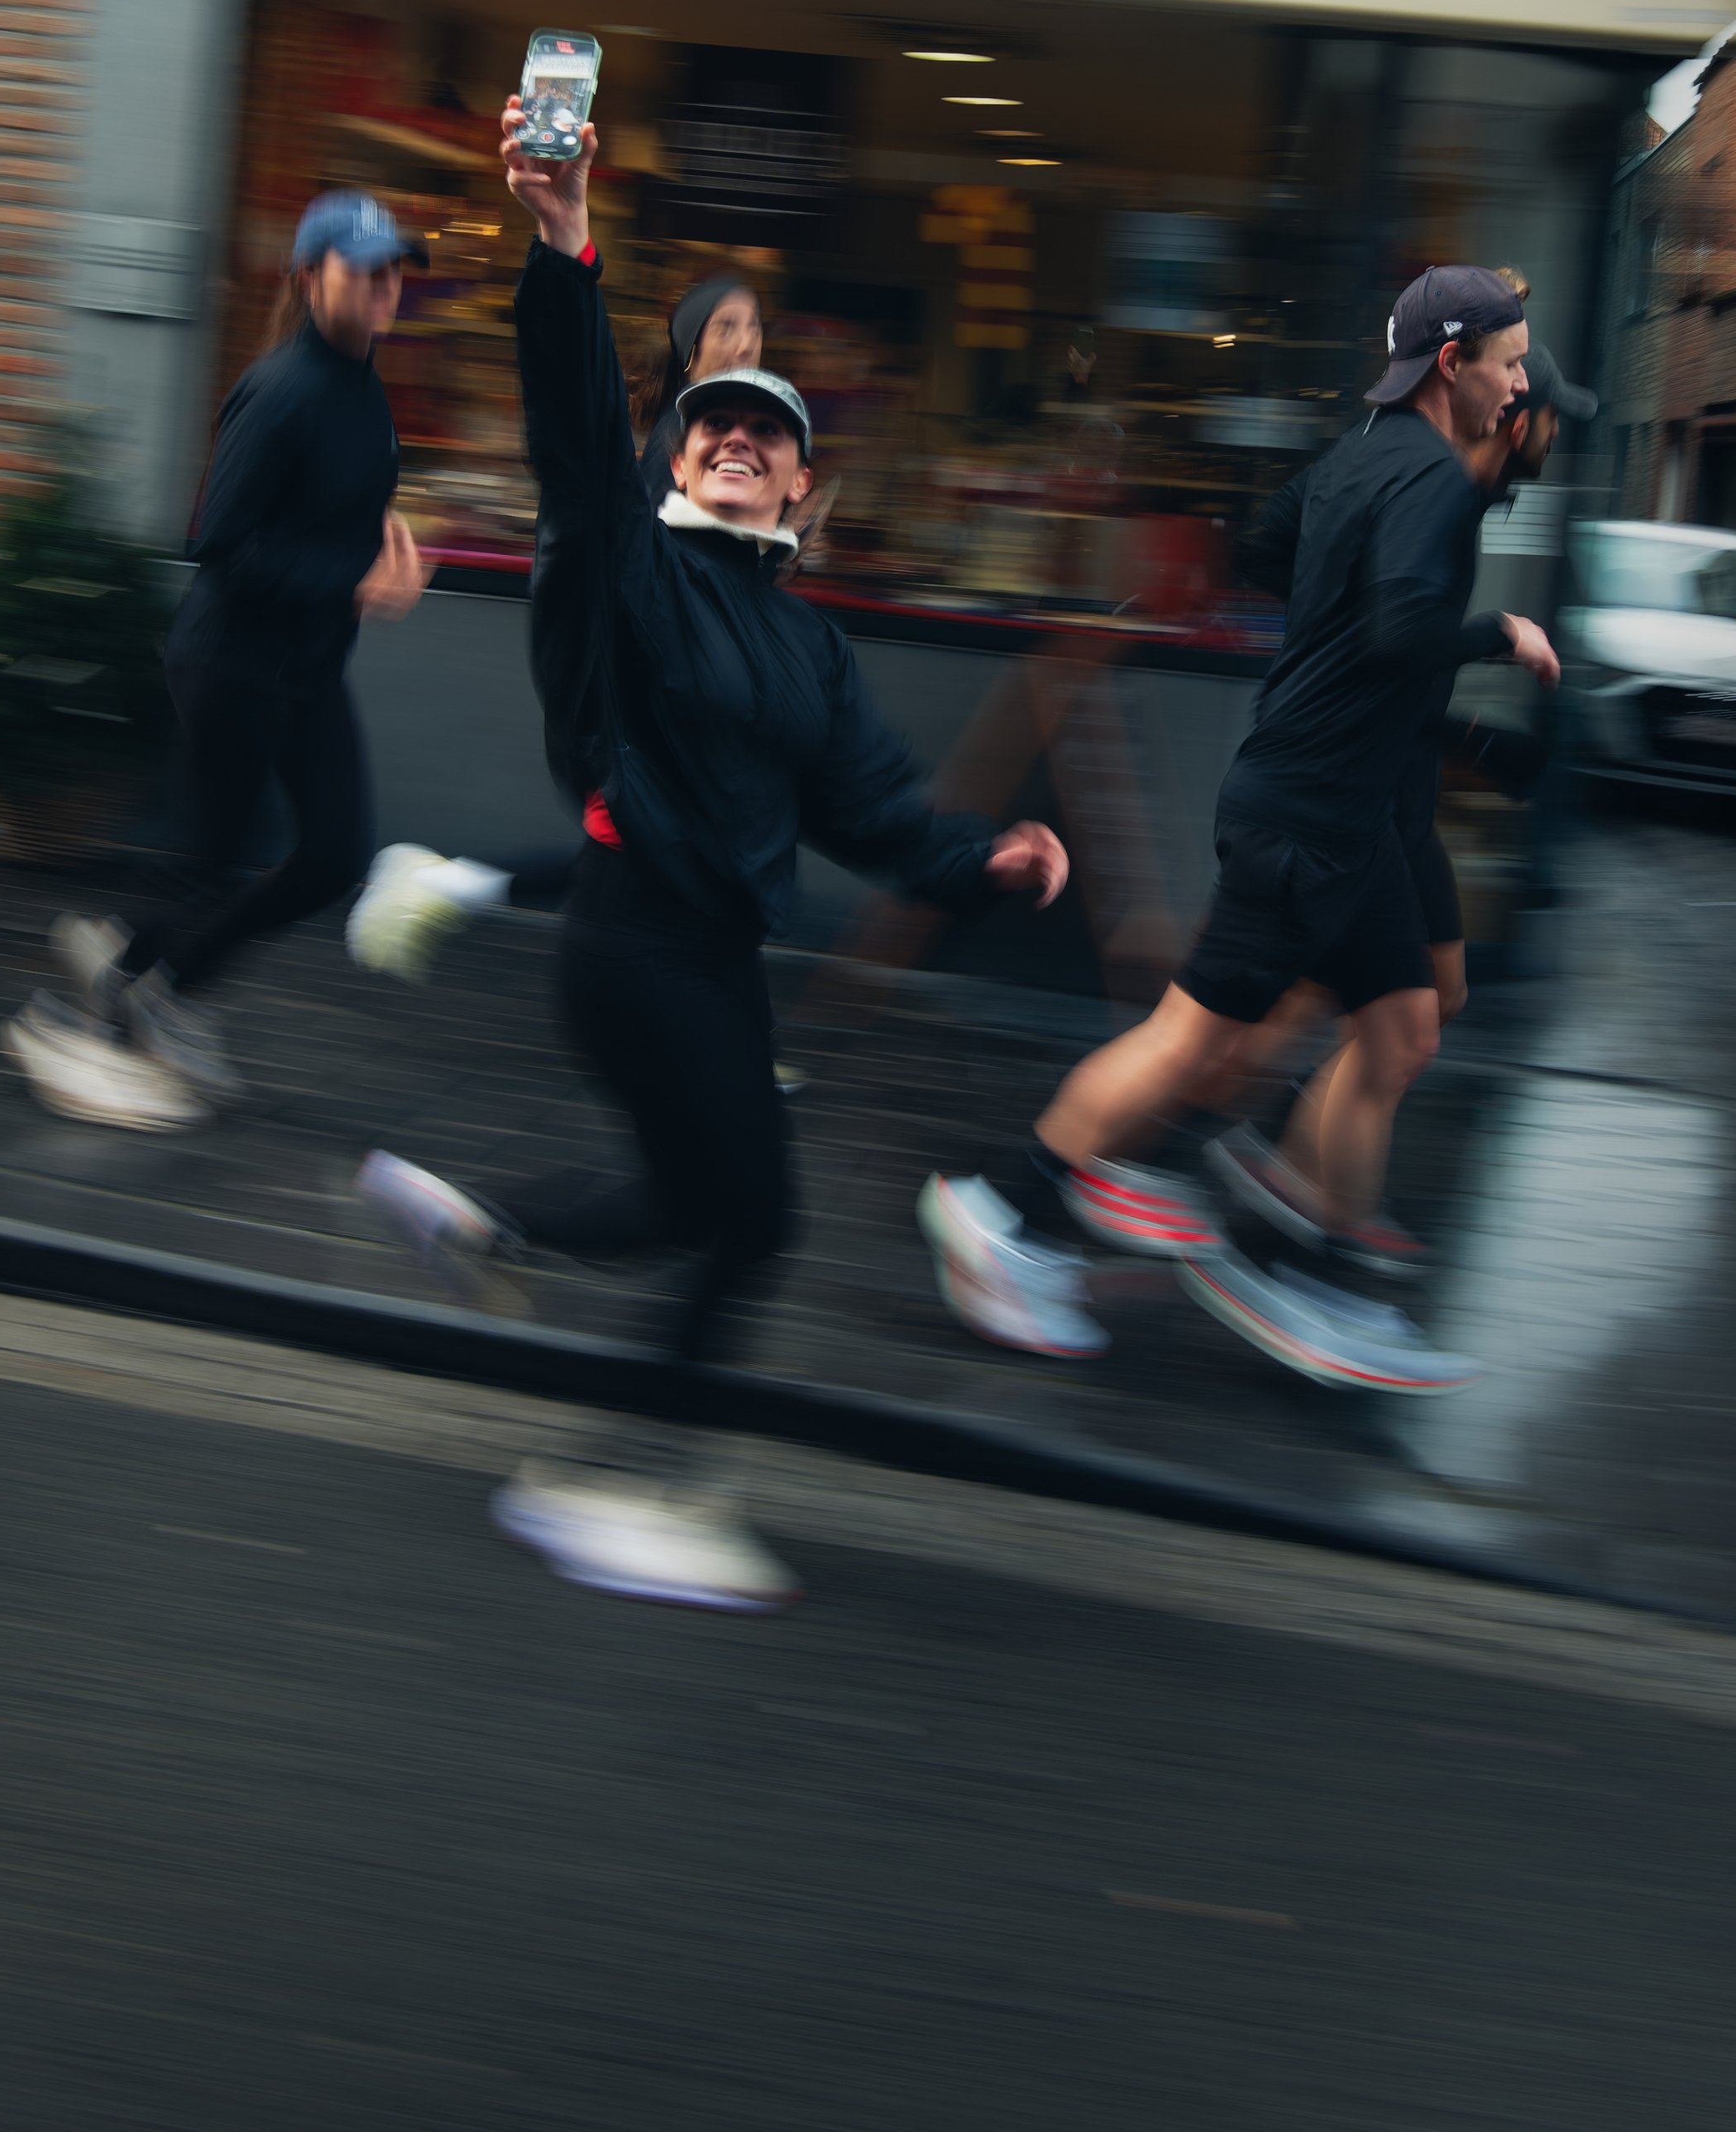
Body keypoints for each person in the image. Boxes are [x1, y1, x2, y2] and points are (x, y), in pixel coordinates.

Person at [355, 102, 1069, 1609]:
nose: (740, 440)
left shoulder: (807, 647)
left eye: (771, 433)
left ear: (803, 484)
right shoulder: (640, 571)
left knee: (702, 1207)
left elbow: (874, 812)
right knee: (757, 1220)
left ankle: (511, 1242)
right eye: (715, 424)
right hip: (630, 946)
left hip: (715, 967)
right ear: (682, 457)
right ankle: (625, 1485)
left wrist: (983, 861)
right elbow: (568, 434)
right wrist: (562, 242)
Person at [920, 264, 1559, 1393]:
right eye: (1509, 363)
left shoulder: (1360, 456)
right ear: (1452, 364)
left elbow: (1266, 548)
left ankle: (1293, 1254)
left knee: (1404, 1026)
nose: (1519, 387)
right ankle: (1005, 1208)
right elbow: (1405, 622)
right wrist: (1499, 631)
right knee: (1191, 1040)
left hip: (1343, 814)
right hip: (1310, 815)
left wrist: (1336, 638)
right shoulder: (1428, 478)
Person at [3, 189, 431, 1129]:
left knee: (331, 856)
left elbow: (325, 501)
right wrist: (353, 574)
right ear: (311, 276)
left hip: (305, 667)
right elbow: (221, 541)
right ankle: (81, 1015)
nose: (385, 284)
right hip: (234, 662)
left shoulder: (362, 384)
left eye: (394, 267)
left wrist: (373, 533)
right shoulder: (282, 388)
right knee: (206, 862)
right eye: (365, 268)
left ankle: (170, 988)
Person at [1210, 327, 1595, 1276]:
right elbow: (1385, 629)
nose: (1553, 435)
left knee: (1417, 1006)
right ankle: (1304, 1216)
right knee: (1382, 1027)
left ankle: (1305, 1190)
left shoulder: (1438, 487)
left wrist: (1452, 732)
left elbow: (1333, 598)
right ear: (1509, 412)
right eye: (1542, 409)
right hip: (1348, 799)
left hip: (1389, 788)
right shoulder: (1423, 484)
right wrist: (1488, 638)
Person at [345, 270, 768, 979]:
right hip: (644, 708)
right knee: (667, 866)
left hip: (661, 704)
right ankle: (451, 886)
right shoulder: (685, 441)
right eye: (726, 327)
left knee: (673, 870)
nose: (745, 341)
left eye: (754, 326)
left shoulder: (714, 439)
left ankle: (456, 888)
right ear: (690, 348)